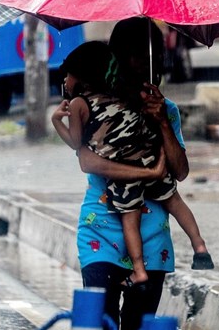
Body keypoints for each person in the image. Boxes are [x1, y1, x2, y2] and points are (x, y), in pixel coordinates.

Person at [69, 17, 209, 330]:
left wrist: (161, 122)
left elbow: (181, 171)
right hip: (100, 235)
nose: (140, 62)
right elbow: (87, 161)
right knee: (98, 323)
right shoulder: (94, 105)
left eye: (147, 54)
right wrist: (146, 173)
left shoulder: (166, 108)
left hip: (152, 241)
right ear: (115, 57)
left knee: (137, 325)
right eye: (130, 54)